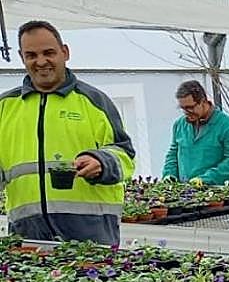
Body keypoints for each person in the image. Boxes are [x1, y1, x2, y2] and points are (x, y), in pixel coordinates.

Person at [0, 20, 135, 245]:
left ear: (65, 52)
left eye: (48, 52)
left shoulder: (94, 102)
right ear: (22, 58)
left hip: (91, 235)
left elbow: (125, 154)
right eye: (31, 55)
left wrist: (101, 162)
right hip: (28, 237)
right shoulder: (5, 107)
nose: (41, 61)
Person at [161, 80, 229, 185]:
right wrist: (169, 174)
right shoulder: (179, 125)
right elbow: (173, 154)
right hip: (186, 193)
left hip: (219, 193)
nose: (186, 112)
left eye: (190, 107)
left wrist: (206, 179)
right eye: (183, 108)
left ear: (203, 101)